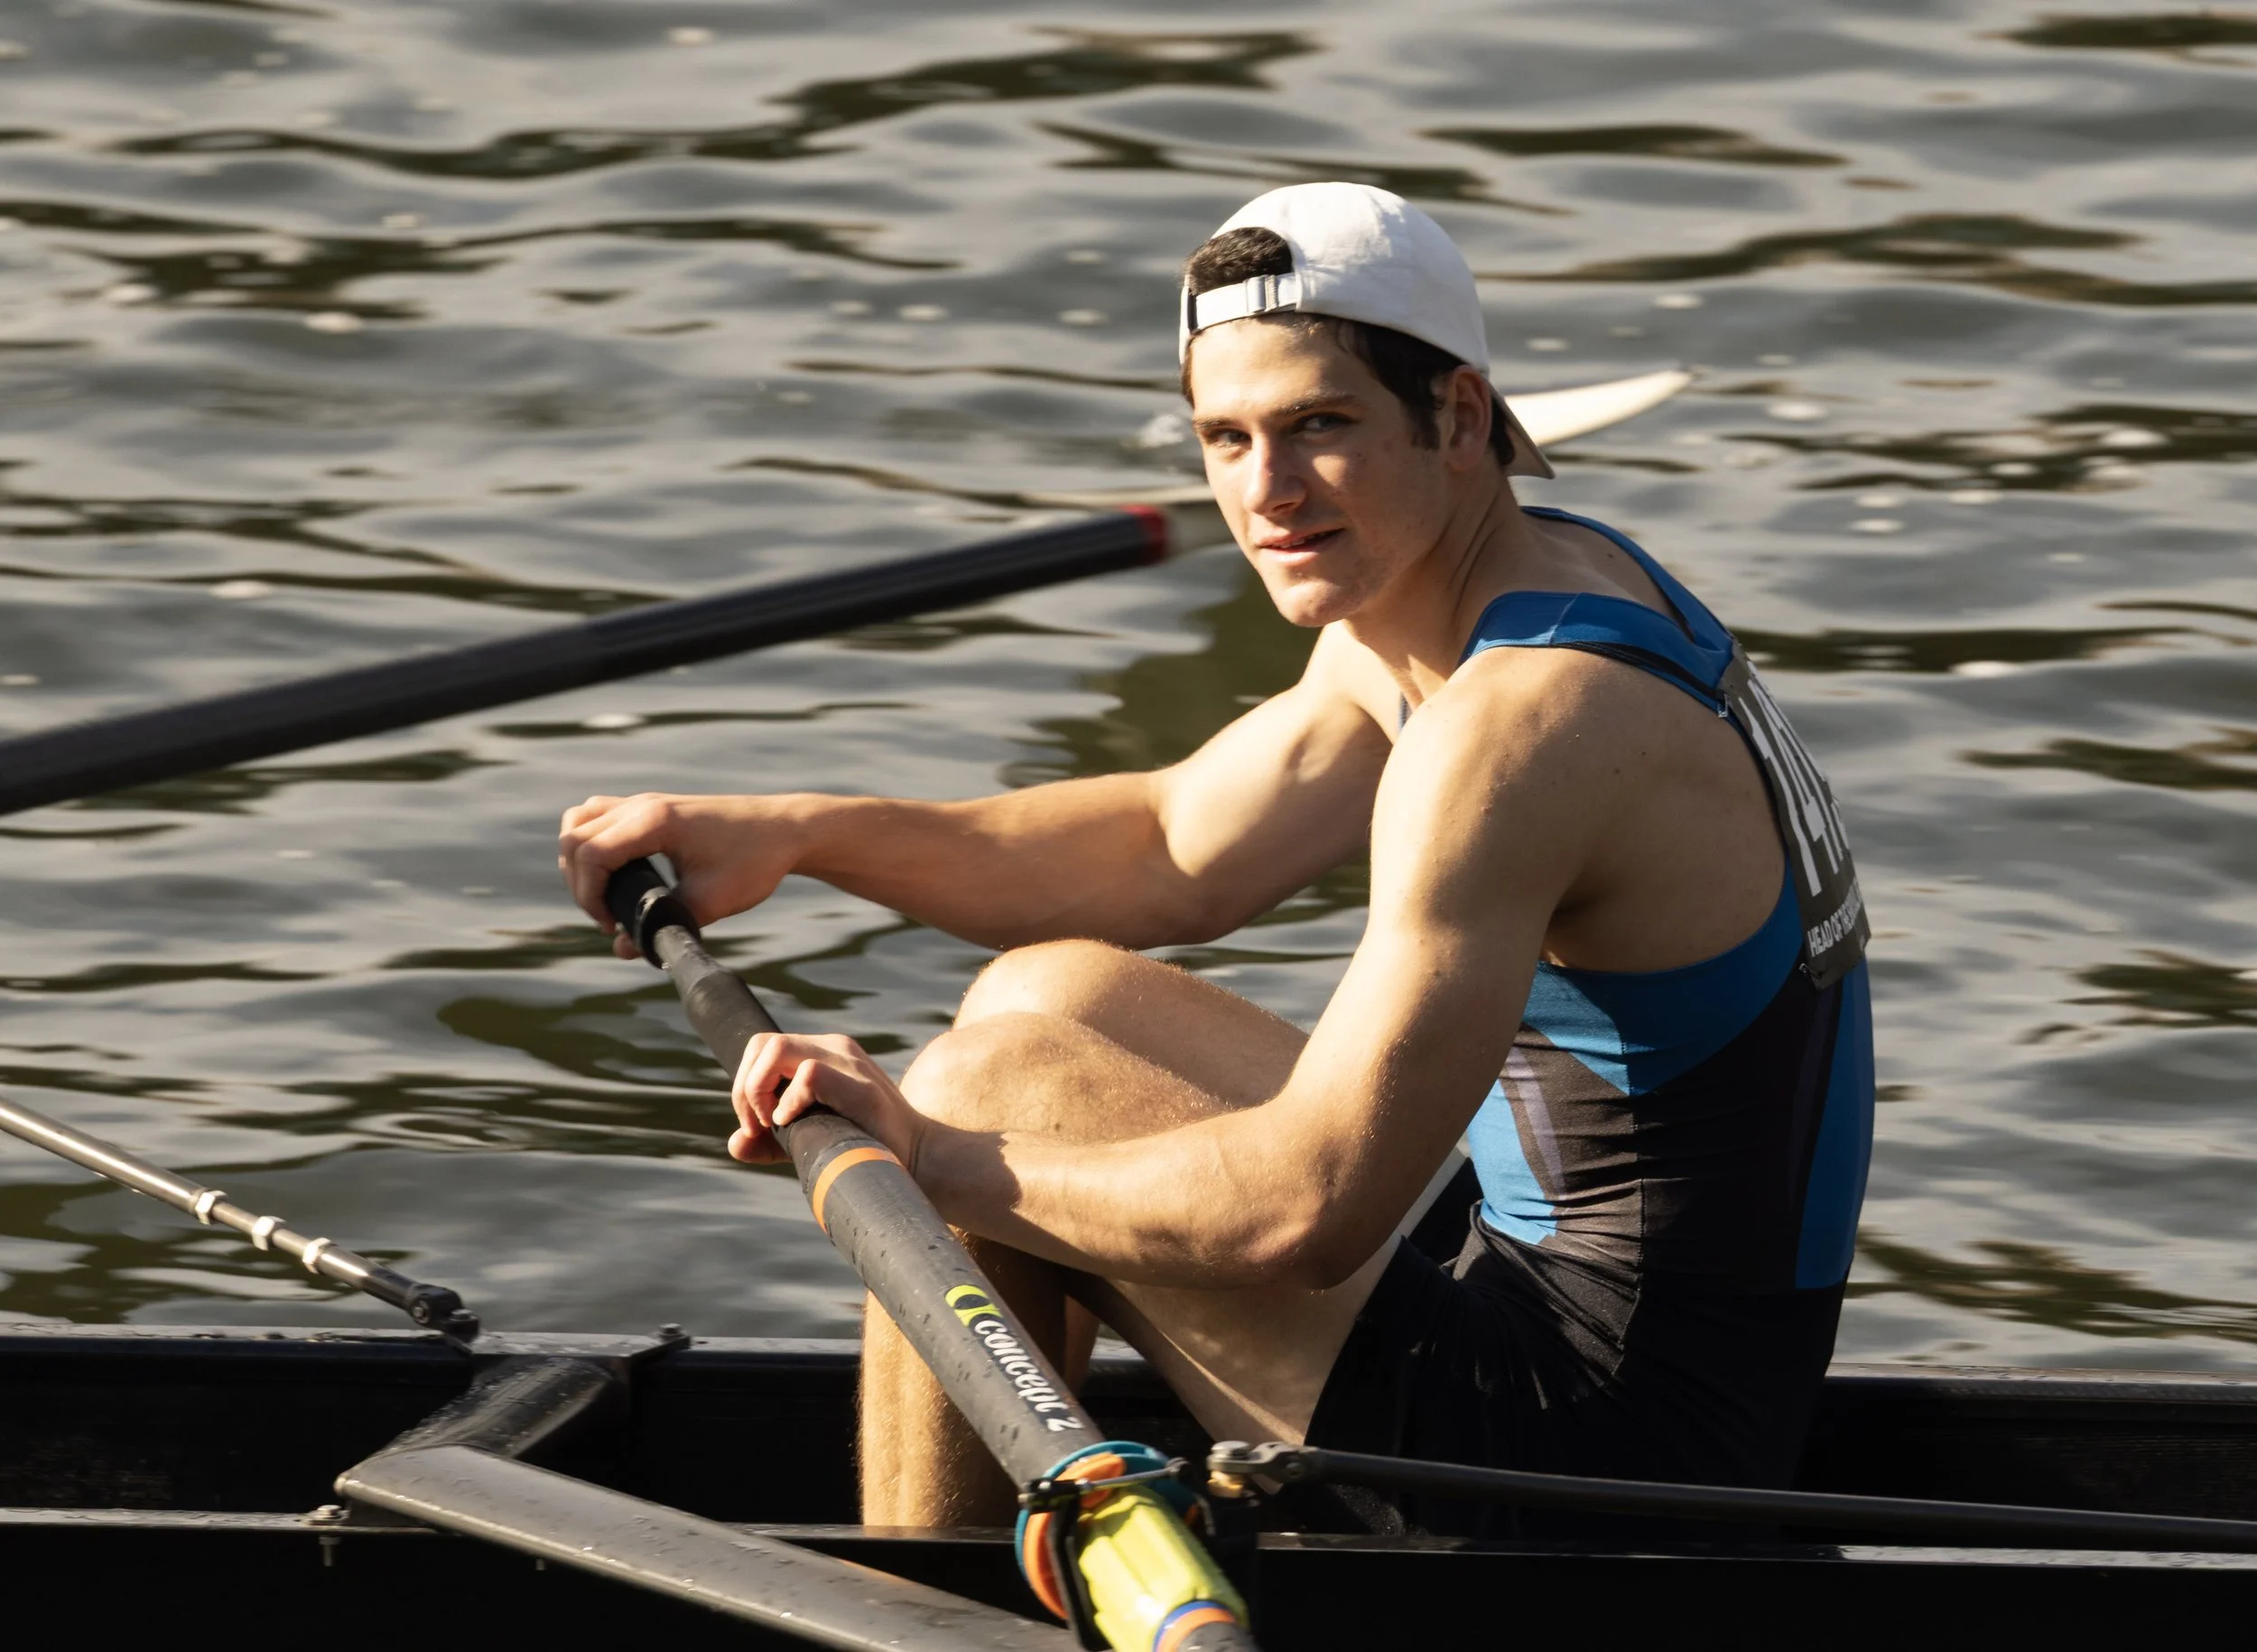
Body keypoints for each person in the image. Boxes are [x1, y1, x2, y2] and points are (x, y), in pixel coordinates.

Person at [558, 181, 1874, 1536]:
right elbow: (1172, 847)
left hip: (1607, 1462)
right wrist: (801, 832)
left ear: (1462, 416)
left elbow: (1301, 1211)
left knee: (987, 1080)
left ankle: (925, 1612)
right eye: (1227, 437)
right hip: (1566, 1305)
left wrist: (921, 1155)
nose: (1268, 491)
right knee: (1051, 995)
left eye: (1321, 427)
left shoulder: (1522, 724)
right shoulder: (1506, 582)